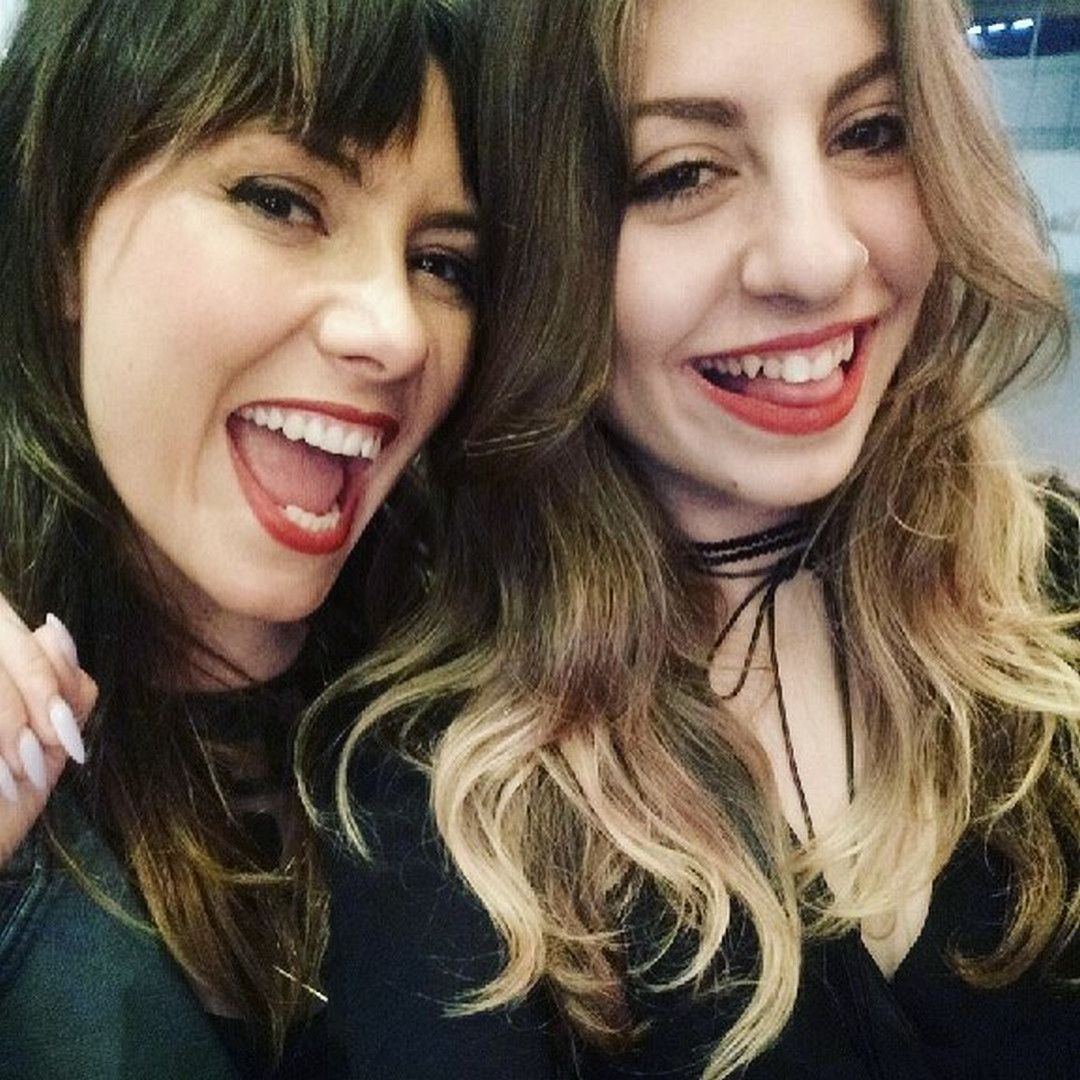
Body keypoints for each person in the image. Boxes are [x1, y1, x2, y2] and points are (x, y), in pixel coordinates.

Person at [317, 0, 1080, 1077]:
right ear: (532, 246)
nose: (819, 258)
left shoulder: (1059, 579)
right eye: (681, 173)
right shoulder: (431, 800)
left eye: (871, 131)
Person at [0, 0, 484, 1076]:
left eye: (444, 263)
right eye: (280, 200)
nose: (399, 331)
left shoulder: (488, 725)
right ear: (63, 226)